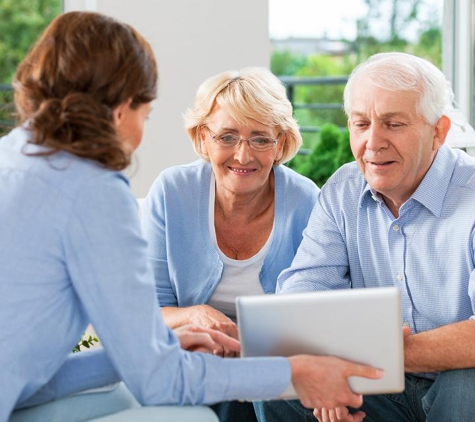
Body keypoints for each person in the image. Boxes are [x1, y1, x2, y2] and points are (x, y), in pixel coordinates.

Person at [0, 11, 383, 422]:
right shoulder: (94, 191)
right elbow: (160, 382)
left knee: (121, 399)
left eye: (259, 138)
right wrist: (295, 373)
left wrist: (154, 349)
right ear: (120, 110)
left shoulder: (14, 155)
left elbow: (33, 375)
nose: (138, 136)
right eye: (144, 116)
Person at [258, 52, 475, 422]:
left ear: (438, 131)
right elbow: (301, 295)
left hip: (455, 379)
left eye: (393, 124)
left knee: (467, 385)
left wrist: (377, 351)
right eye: (360, 124)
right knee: (279, 382)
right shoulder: (343, 188)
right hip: (377, 386)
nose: (373, 142)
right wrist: (323, 372)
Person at [141, 67, 319, 422]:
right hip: (197, 361)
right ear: (203, 137)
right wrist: (194, 313)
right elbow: (149, 311)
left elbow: (317, 314)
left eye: (260, 139)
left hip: (275, 367)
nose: (243, 155)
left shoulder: (306, 200)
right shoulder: (171, 192)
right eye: (227, 137)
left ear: (280, 142)